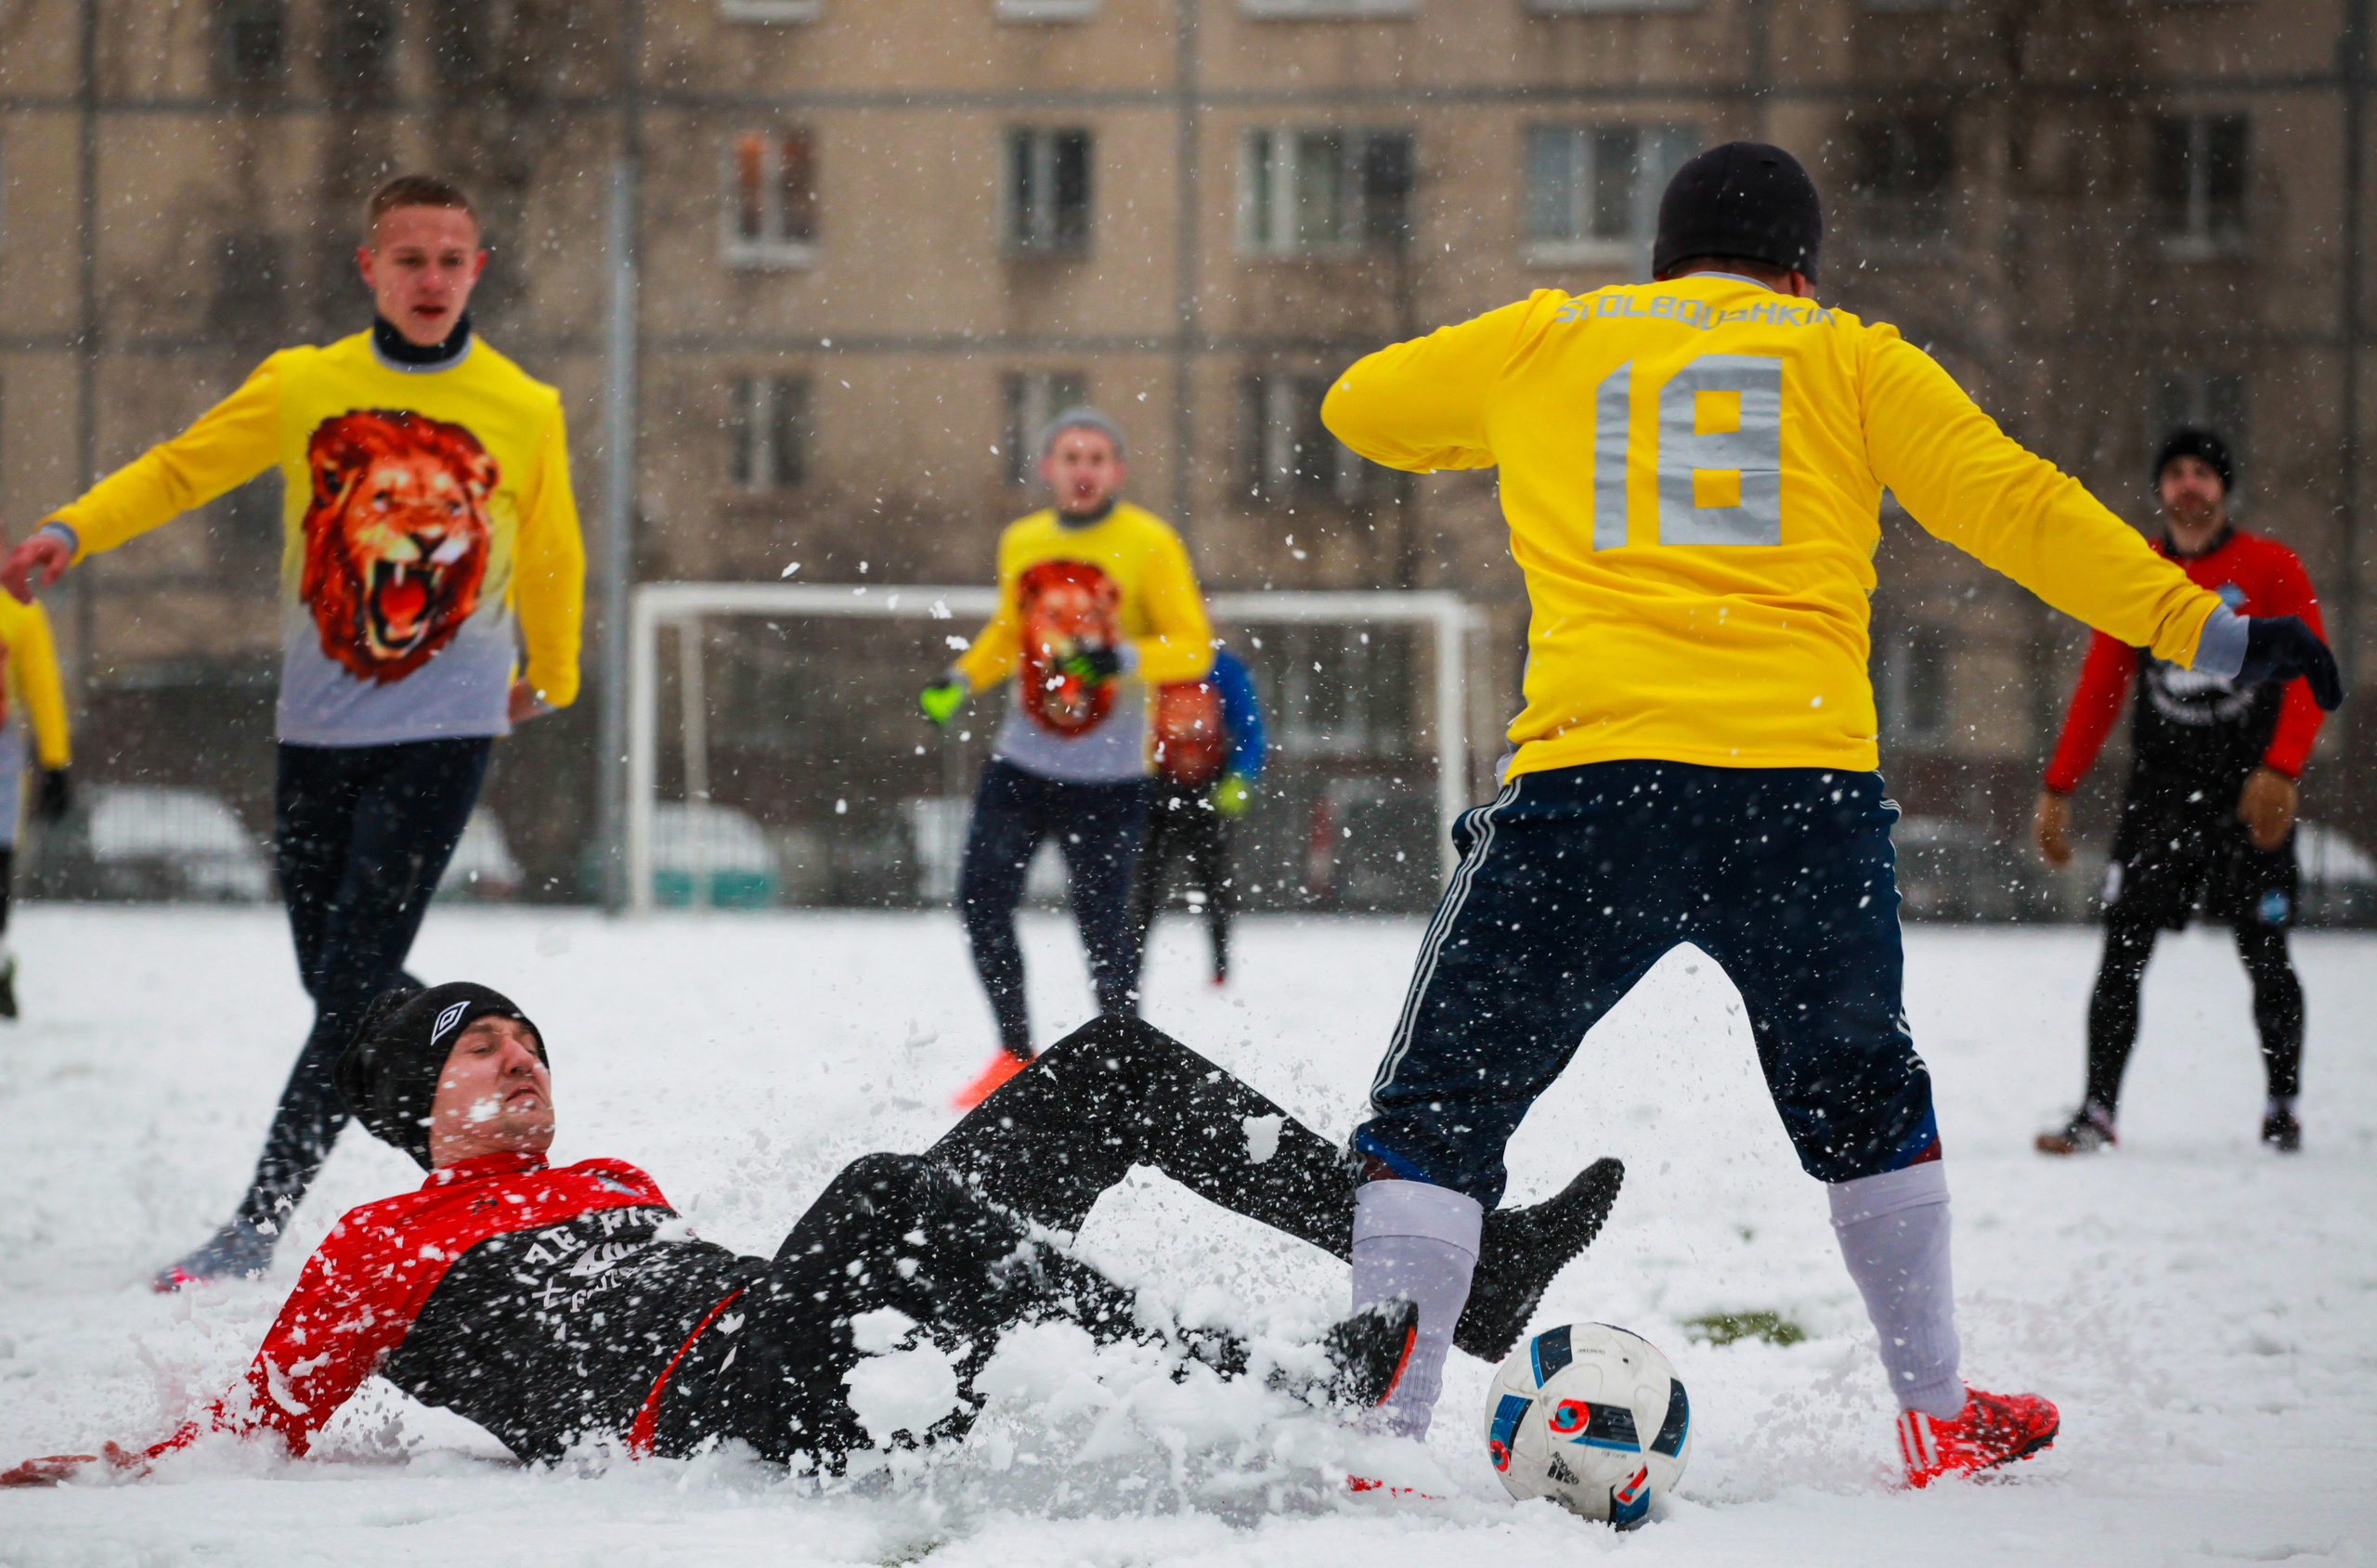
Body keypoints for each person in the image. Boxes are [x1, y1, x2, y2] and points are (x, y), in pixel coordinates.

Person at [1317, 142, 2343, 1487]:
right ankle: (1932, 1410)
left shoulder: (1553, 340)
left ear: (1661, 259)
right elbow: (2017, 506)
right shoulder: (1849, 357)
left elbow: (1358, 408)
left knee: (1442, 1104)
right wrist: (2201, 631)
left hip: (1592, 785)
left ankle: (1373, 1443)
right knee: (1868, 1096)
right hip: (1801, 794)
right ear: (1801, 265)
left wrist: (1512, 405)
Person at [0, 984, 1626, 1484]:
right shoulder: (376, 1240)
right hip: (711, 1405)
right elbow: (252, 1424)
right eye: (481, 1049)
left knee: (1111, 1057)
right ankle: (1266, 1373)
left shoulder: (609, 1169)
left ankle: (1464, 1277)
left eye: (533, 1039)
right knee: (872, 1191)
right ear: (413, 1100)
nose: (522, 1060)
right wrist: (94, 1468)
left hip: (795, 1326)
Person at [0, 174, 585, 1289]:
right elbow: (181, 467)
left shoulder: (523, 405)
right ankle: (483, 1096)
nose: (429, 278)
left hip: (447, 726)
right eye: (407, 257)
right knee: (342, 984)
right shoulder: (304, 384)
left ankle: (255, 1225)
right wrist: (71, 530)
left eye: (450, 259)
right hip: (316, 729)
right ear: (368, 268)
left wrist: (547, 674)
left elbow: (551, 550)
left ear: (479, 271)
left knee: (356, 969)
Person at [2032, 429, 2329, 1156]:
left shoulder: (2269, 567)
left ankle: (2282, 1108)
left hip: (2248, 797)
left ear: (2224, 487)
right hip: (2160, 799)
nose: (2188, 486)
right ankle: (2098, 1111)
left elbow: (2309, 672)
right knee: (2121, 955)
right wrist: (2058, 786)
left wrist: (2283, 768)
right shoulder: (2139, 570)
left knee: (2267, 954)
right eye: (2174, 474)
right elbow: (2103, 683)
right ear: (2159, 489)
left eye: (2202, 473)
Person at [918, 409, 1214, 1108]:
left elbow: (1194, 645)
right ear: (1047, 467)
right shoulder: (1022, 539)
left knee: (1106, 923)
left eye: (1098, 457)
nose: (1083, 469)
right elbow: (1008, 629)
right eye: (1070, 456)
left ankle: (1122, 1069)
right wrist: (962, 678)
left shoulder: (1150, 541)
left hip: (1111, 777)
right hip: (1021, 763)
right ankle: (1015, 1051)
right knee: (980, 899)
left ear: (1118, 471)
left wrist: (1121, 655)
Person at [1132, 644, 1266, 987]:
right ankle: (1130, 964)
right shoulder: (1148, 662)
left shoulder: (1223, 668)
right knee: (1143, 886)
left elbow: (1250, 728)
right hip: (1154, 789)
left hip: (1208, 789)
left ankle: (1220, 967)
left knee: (1215, 882)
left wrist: (1240, 775)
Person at [0, 588, 71, 1018]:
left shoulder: (19, 608)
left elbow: (43, 687)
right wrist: (55, 761)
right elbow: (43, 687)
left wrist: (55, 761)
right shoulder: (18, 609)